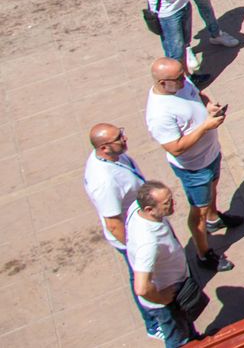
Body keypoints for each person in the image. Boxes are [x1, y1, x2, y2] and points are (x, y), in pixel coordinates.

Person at [144, 58, 238, 273]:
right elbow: (175, 147)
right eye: (178, 78)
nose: (184, 80)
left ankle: (214, 219)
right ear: (162, 83)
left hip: (210, 154)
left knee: (213, 188)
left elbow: (198, 94)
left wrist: (208, 105)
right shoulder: (159, 113)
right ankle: (204, 254)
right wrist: (206, 127)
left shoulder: (180, 84)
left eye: (183, 75)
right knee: (199, 211)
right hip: (194, 168)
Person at [83, 124, 163, 340]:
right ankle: (153, 323)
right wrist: (135, 250)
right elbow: (113, 223)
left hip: (143, 226)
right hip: (133, 237)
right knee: (140, 277)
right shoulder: (105, 181)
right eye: (119, 137)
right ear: (104, 148)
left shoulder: (114, 158)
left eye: (121, 132)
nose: (125, 138)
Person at [127, 181, 202, 346]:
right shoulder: (148, 243)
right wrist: (163, 299)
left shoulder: (136, 208)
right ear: (149, 209)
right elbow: (141, 287)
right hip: (166, 301)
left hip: (176, 288)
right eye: (167, 203)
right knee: (178, 339)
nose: (173, 204)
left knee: (186, 327)